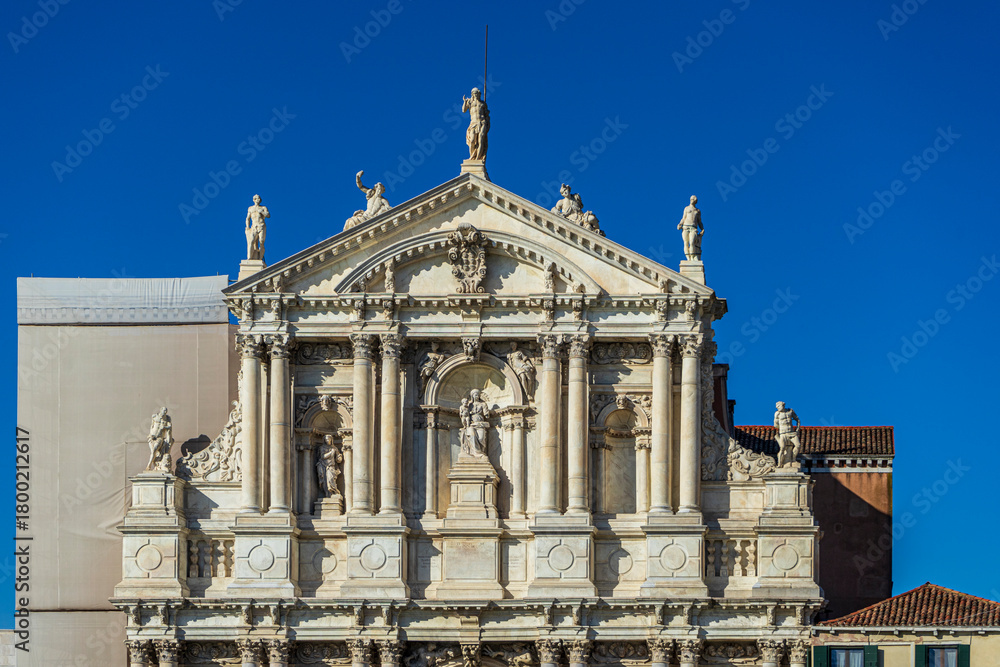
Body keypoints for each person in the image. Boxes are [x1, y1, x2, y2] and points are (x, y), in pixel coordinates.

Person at [462, 87, 490, 161]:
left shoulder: (483, 104)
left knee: (481, 140)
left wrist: (487, 117)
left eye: (477, 94)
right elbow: (464, 110)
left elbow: (487, 115)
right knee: (472, 140)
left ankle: (478, 158)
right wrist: (465, 102)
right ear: (472, 95)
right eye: (474, 94)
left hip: (481, 123)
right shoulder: (470, 103)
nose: (476, 95)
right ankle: (472, 157)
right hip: (473, 123)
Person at [774, 401, 802, 467]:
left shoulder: (790, 411)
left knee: (798, 445)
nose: (777, 408)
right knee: (782, 448)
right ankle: (779, 464)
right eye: (777, 407)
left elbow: (798, 420)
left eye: (778, 406)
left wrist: (797, 430)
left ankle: (793, 459)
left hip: (791, 433)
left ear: (782, 405)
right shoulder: (777, 414)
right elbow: (775, 425)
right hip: (783, 433)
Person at [146, 407, 174, 472]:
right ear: (161, 410)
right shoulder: (154, 416)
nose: (165, 412)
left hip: (159, 438)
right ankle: (156, 465)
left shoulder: (167, 418)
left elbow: (170, 426)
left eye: (166, 411)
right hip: (152, 437)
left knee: (154, 451)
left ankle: (148, 466)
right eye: (164, 410)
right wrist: (151, 434)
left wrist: (164, 427)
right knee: (153, 452)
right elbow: (152, 426)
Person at [677, 195, 704, 261]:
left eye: (693, 199)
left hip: (693, 228)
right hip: (685, 227)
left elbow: (699, 221)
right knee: (686, 243)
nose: (691, 200)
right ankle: (688, 259)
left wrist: (702, 229)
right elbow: (683, 218)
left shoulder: (697, 211)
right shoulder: (686, 208)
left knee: (692, 242)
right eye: (691, 199)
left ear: (695, 201)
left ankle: (692, 257)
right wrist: (680, 224)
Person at [245, 194, 270, 261]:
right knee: (251, 241)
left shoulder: (263, 208)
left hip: (261, 226)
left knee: (261, 242)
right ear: (254, 200)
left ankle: (260, 258)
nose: (257, 200)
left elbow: (268, 215)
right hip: (254, 226)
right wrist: (247, 227)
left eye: (258, 199)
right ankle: (249, 258)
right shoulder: (250, 208)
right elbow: (248, 218)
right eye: (256, 199)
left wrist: (262, 212)